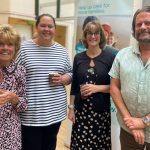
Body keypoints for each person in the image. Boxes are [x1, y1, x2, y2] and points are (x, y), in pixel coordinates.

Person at [16, 14, 72, 150]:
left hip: (55, 112)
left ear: (54, 29)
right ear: (37, 27)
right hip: (30, 114)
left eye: (50, 26)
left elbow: (71, 73)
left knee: (50, 146)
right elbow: (13, 75)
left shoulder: (62, 51)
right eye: (43, 25)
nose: (46, 29)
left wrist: (65, 78)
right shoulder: (24, 49)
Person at [68, 20, 115, 149]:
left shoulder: (110, 58)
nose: (93, 36)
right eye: (89, 33)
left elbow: (115, 87)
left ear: (101, 36)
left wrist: (96, 88)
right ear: (85, 36)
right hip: (81, 112)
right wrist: (71, 108)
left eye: (96, 33)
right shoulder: (78, 58)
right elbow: (74, 86)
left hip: (101, 114)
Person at [109, 6, 150, 150]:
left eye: (147, 23)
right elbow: (114, 87)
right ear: (134, 30)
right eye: (139, 24)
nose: (143, 27)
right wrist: (130, 121)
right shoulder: (122, 55)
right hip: (128, 130)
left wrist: (144, 121)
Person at [0, 24, 27, 150]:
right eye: (1, 43)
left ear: (15, 48)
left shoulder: (20, 71)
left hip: (10, 131)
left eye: (9, 44)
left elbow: (24, 105)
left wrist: (14, 98)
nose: (5, 48)